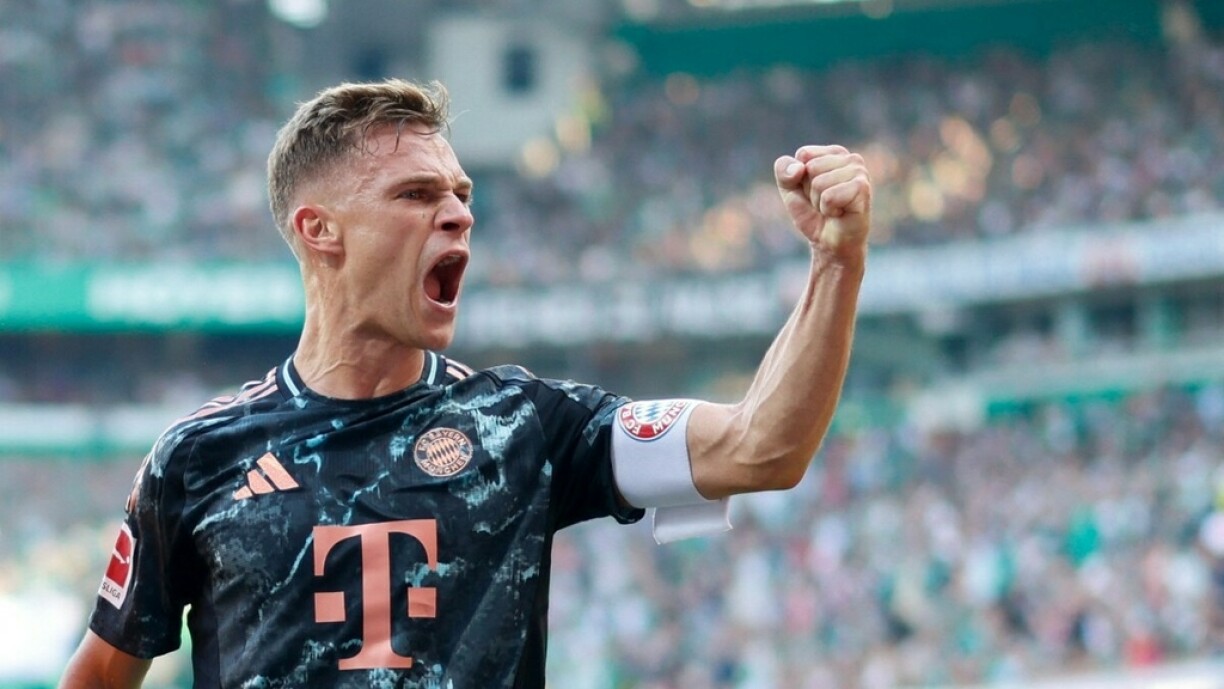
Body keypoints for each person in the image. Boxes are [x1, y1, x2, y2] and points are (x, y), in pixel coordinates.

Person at [58, 78, 872, 688]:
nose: (458, 213)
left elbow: (763, 447)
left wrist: (836, 261)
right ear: (320, 229)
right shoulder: (197, 456)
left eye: (461, 194)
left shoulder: (523, 423)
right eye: (416, 194)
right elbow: (100, 672)